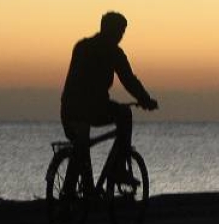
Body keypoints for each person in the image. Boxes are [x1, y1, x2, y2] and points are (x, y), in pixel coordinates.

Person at [60, 11, 159, 188]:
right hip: (85, 108)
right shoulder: (112, 52)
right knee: (124, 115)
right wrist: (145, 100)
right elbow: (128, 79)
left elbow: (128, 79)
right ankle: (119, 169)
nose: (121, 36)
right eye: (119, 32)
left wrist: (144, 98)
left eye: (123, 32)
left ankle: (76, 193)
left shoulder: (83, 46)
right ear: (110, 30)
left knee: (81, 148)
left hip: (72, 108)